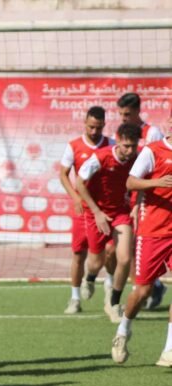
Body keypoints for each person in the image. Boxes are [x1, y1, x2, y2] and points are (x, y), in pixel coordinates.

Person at [111, 117, 172, 367]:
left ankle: (169, 349)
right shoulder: (153, 151)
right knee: (143, 291)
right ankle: (123, 330)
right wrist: (156, 182)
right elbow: (130, 182)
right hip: (152, 232)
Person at [76, 123, 142, 323]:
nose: (130, 150)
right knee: (96, 262)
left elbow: (141, 183)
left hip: (120, 212)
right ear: (118, 141)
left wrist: (136, 205)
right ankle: (90, 277)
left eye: (133, 146)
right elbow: (79, 183)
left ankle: (113, 303)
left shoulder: (138, 158)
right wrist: (96, 212)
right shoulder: (100, 157)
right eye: (126, 146)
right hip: (96, 213)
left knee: (125, 258)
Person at [58, 106, 112, 314]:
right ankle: (74, 298)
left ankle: (110, 289)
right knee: (78, 253)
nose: (94, 131)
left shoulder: (111, 145)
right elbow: (63, 174)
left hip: (106, 209)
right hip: (83, 209)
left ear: (104, 125)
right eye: (91, 127)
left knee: (111, 250)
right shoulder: (74, 146)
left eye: (98, 127)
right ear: (85, 123)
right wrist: (75, 197)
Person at [117, 92, 167, 309]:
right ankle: (147, 287)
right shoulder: (122, 132)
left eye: (127, 114)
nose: (123, 118)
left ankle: (148, 287)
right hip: (130, 193)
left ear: (138, 111)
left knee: (137, 246)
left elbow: (154, 172)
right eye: (121, 114)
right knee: (128, 249)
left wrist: (138, 205)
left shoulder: (152, 133)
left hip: (146, 200)